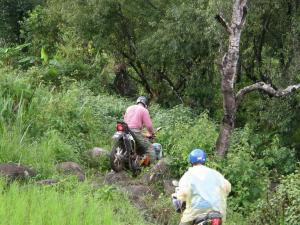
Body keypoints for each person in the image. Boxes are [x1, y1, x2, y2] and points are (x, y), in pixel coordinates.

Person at [174, 149, 231, 225]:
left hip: (195, 213)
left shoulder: (188, 175)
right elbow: (227, 187)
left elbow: (182, 194)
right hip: (216, 212)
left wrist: (178, 196)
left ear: (191, 161)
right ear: (204, 160)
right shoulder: (215, 174)